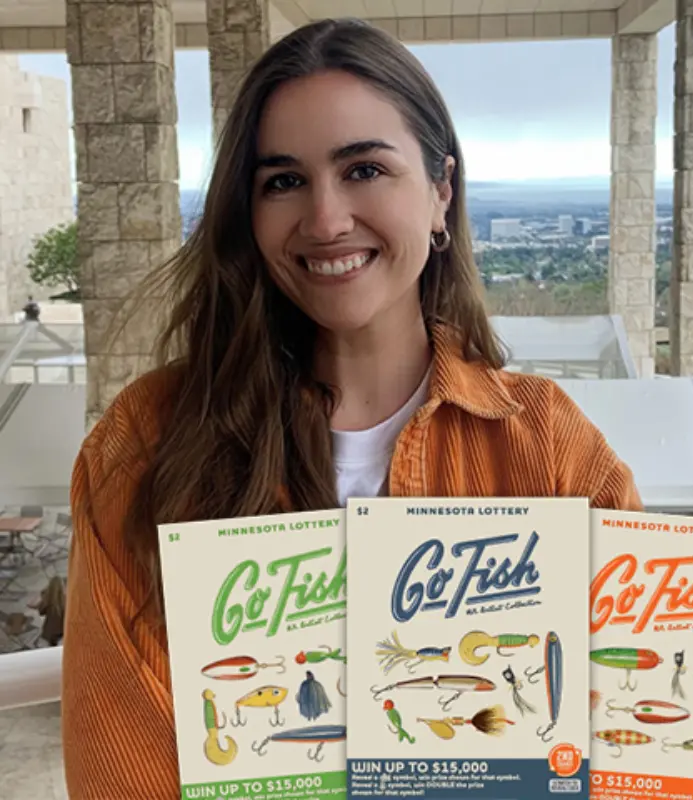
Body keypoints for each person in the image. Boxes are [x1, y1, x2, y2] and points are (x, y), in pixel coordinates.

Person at [61, 17, 643, 798]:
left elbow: (632, 745)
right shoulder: (147, 445)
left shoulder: (548, 447)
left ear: (441, 191)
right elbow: (122, 765)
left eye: (364, 169)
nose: (326, 219)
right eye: (283, 181)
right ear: (249, 212)